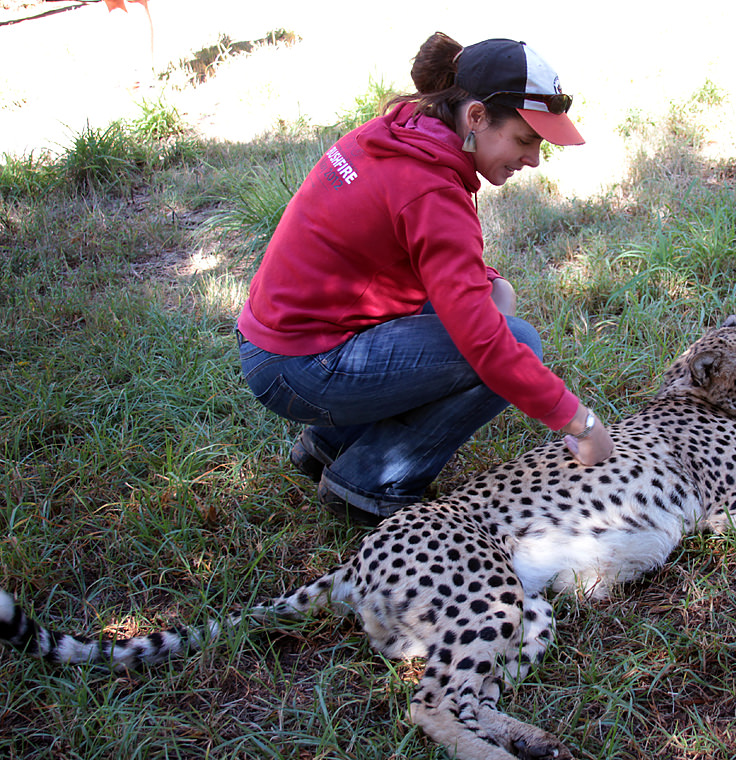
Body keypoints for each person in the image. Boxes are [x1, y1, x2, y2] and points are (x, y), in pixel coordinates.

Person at [236, 32, 614, 525]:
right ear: (476, 116)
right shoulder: (429, 187)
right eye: (525, 139)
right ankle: (370, 482)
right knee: (515, 342)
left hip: (284, 343)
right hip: (297, 366)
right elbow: (487, 344)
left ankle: (329, 445)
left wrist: (487, 279)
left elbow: (407, 249)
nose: (533, 159)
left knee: (487, 306)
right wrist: (582, 424)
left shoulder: (409, 132)